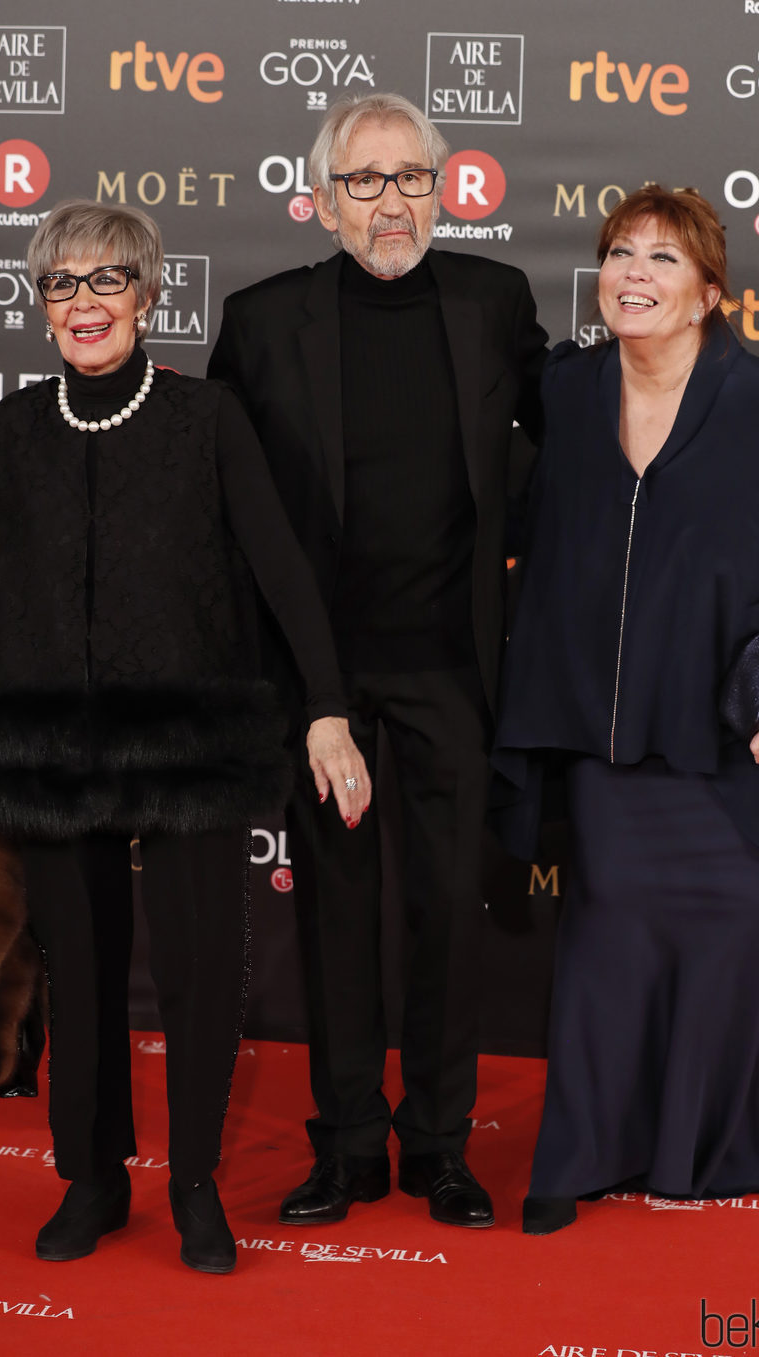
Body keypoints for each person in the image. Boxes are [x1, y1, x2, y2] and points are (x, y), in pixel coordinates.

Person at [0, 200, 371, 1273]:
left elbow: (281, 571)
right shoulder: (13, 424)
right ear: (40, 304)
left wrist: (324, 705)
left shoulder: (207, 420)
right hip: (56, 736)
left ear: (146, 296)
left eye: (106, 282)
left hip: (190, 729)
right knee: (79, 966)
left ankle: (193, 1184)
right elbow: (14, 587)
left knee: (198, 967)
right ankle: (91, 1177)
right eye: (62, 284)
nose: (83, 304)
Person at [491, 186, 759, 1234]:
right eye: (618, 253)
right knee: (609, 951)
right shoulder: (566, 392)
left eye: (663, 260)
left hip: (736, 746)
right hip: (609, 752)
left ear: (708, 294)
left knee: (739, 946)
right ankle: (590, 1151)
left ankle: (733, 1145)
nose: (634, 274)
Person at [207, 93, 547, 1229]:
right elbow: (231, 517)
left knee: (448, 914)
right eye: (365, 180)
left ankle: (439, 1148)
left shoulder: (494, 303)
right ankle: (348, 1145)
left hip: (454, 668)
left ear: (441, 187)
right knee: (337, 915)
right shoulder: (261, 324)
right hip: (324, 682)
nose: (390, 200)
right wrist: (304, 695)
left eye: (411, 177)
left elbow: (562, 449)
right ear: (322, 197)